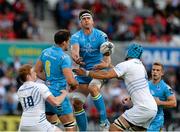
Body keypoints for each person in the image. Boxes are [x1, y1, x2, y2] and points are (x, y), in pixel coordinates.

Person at [73, 43, 158, 131]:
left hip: (142, 108)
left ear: (128, 53)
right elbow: (120, 75)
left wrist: (86, 73)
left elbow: (107, 75)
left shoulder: (126, 64)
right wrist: (109, 65)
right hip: (152, 108)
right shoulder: (140, 66)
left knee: (114, 129)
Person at [70, 9, 112, 131]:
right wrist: (77, 59)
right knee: (77, 103)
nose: (86, 20)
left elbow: (107, 60)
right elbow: (74, 52)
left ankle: (104, 121)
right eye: (83, 19)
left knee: (93, 88)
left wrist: (103, 65)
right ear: (80, 22)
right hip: (83, 73)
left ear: (93, 21)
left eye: (88, 18)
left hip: (98, 72)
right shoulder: (75, 36)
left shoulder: (101, 36)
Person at [35, 29, 78, 131]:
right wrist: (75, 84)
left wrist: (49, 79)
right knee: (71, 126)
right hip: (58, 94)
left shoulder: (45, 52)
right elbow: (70, 81)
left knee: (50, 127)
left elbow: (36, 71)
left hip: (46, 94)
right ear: (64, 42)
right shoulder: (64, 57)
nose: (69, 44)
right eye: (68, 41)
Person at [17, 64, 66, 131]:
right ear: (28, 76)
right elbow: (55, 102)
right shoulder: (39, 86)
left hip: (23, 125)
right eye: (33, 72)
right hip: (38, 122)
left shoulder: (20, 90)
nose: (35, 74)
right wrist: (64, 93)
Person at [147, 62, 177, 131]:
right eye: (153, 70)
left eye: (158, 70)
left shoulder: (165, 87)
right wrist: (130, 98)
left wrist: (160, 102)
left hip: (156, 120)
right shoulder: (146, 84)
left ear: (162, 73)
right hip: (144, 117)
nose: (155, 72)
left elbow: (174, 103)